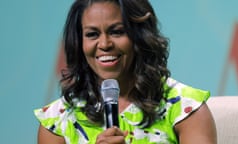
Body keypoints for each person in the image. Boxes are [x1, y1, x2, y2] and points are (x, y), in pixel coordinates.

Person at [34, 0, 217, 143]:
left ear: (140, 36)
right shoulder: (57, 122)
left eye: (117, 32)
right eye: (92, 34)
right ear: (78, 43)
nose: (104, 44)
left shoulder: (185, 109)